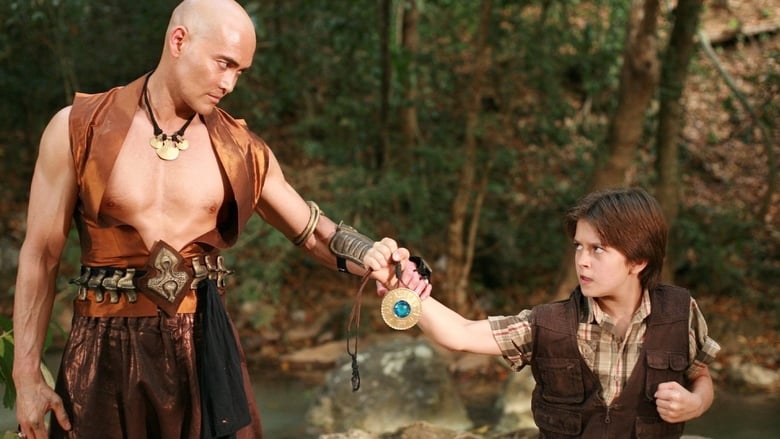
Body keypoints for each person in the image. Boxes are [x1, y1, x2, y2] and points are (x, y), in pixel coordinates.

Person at [11, 1, 417, 438]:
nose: (229, 84)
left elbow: (315, 233)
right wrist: (26, 375)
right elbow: (41, 255)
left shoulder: (242, 150)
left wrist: (376, 259)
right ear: (179, 41)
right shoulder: (79, 129)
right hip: (101, 352)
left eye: (240, 71)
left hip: (204, 351)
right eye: (223, 64)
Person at [380, 187, 721, 438]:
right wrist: (398, 285)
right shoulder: (548, 324)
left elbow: (700, 376)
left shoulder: (680, 311)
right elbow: (461, 334)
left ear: (638, 261)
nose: (582, 261)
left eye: (598, 249)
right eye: (578, 246)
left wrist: (695, 403)